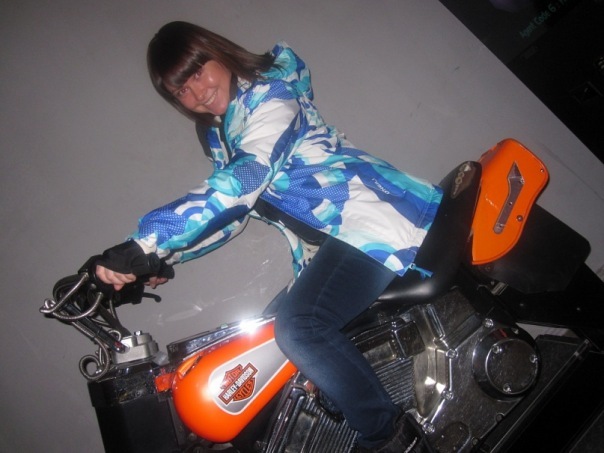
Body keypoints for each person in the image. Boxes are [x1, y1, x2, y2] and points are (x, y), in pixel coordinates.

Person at [95, 21, 442, 453]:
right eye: (181, 89)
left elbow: (241, 183)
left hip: (375, 221)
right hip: (336, 246)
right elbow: (232, 217)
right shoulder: (224, 133)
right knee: (256, 343)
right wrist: (160, 261)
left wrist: (144, 244)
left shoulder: (270, 95)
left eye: (198, 71)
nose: (197, 92)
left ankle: (390, 439)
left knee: (298, 327)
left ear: (218, 53)